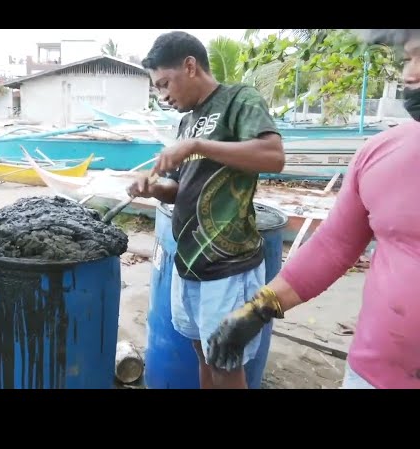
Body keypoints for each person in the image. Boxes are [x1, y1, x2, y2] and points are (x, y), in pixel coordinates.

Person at [205, 29, 420, 389]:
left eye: (418, 57)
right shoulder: (380, 154)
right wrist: (258, 309)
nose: (408, 74)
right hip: (373, 375)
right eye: (409, 59)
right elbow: (333, 247)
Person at [128, 31, 285, 389]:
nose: (164, 96)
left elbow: (274, 157)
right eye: (157, 89)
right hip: (188, 262)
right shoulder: (187, 121)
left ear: (190, 66)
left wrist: (198, 144)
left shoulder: (238, 100)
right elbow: (179, 189)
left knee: (226, 362)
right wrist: (154, 188)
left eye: (166, 84)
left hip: (228, 265)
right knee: (203, 351)